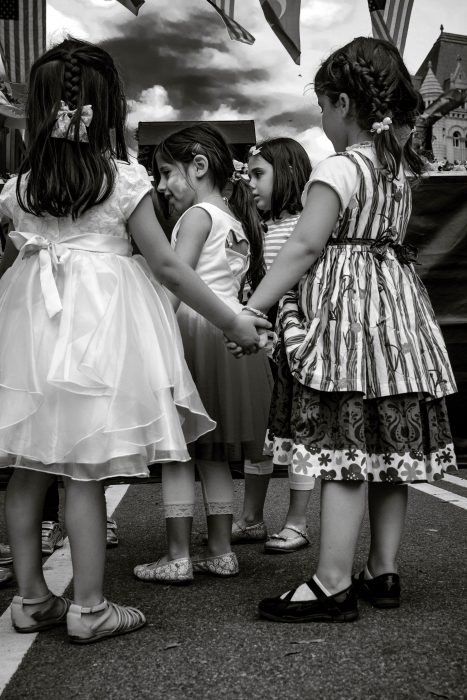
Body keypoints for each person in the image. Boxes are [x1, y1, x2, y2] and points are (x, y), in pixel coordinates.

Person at [0, 38, 268, 644]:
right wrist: (231, 322)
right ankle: (89, 609)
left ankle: (31, 599)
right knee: (83, 471)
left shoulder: (19, 189)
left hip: (30, 338)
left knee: (27, 470)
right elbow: (171, 269)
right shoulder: (122, 182)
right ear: (107, 108)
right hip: (97, 339)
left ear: (43, 108)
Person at [228, 36, 457, 622]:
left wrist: (254, 307)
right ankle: (383, 570)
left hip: (349, 320)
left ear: (345, 105)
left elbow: (305, 245)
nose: (323, 120)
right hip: (398, 319)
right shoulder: (397, 171)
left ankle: (331, 582)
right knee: (387, 449)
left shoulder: (339, 167)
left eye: (324, 107)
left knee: (344, 449)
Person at [134, 124, 273, 584]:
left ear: (198, 167)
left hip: (194, 336)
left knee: (179, 451)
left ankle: (177, 555)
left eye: (166, 172)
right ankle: (220, 550)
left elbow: (177, 283)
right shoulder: (235, 220)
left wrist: (148, 335)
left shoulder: (195, 218)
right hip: (228, 337)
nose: (160, 184)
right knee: (213, 452)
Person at [233, 137, 315, 554]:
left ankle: (297, 522)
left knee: (300, 434)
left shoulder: (307, 224)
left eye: (259, 174)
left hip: (299, 345)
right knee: (261, 434)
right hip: (269, 343)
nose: (251, 183)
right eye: (248, 175)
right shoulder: (261, 228)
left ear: (286, 174)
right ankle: (250, 518)